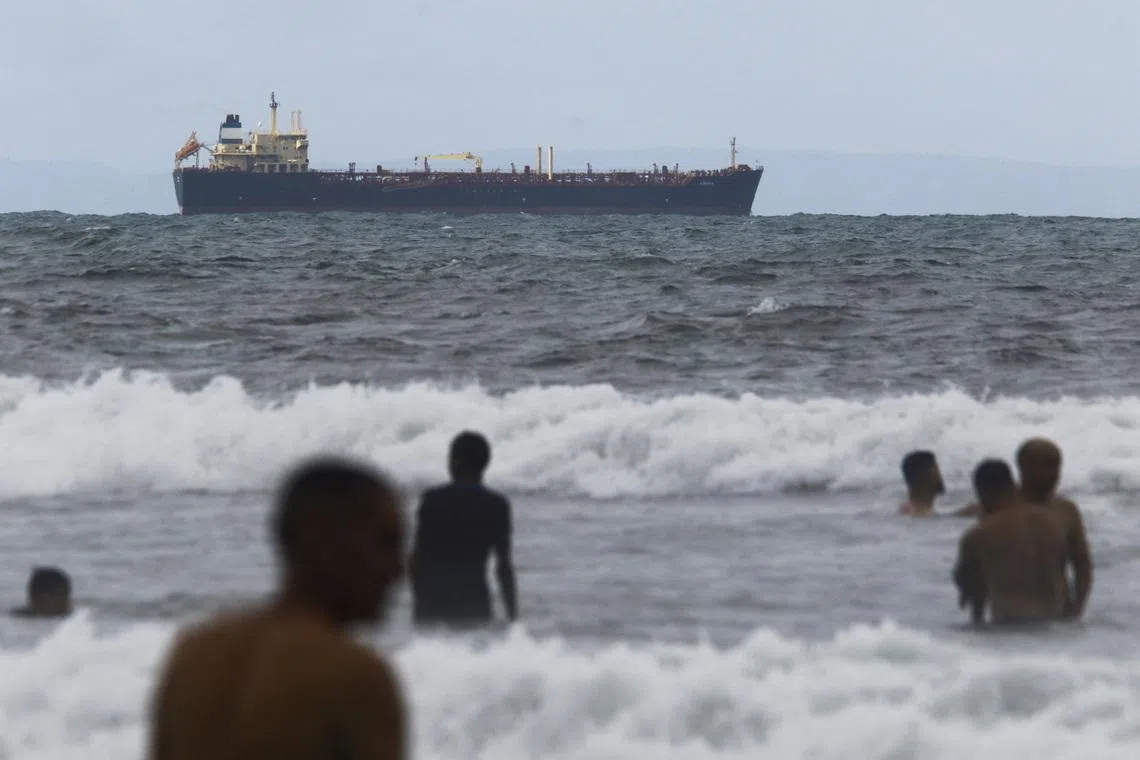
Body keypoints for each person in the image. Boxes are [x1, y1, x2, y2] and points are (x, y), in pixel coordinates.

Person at [146, 457, 408, 760]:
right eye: (386, 543)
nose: (398, 568)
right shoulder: (354, 674)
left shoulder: (194, 654)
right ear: (323, 541)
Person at [410, 431, 518, 627]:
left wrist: (419, 602)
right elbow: (503, 566)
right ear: (485, 463)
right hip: (474, 602)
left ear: (454, 461)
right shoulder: (496, 505)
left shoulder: (433, 499)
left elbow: (418, 559)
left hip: (433, 602)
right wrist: (513, 618)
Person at [952, 459, 1068, 625]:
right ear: (1013, 485)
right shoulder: (1051, 522)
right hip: (1058, 629)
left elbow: (970, 591)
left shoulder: (979, 535)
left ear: (982, 492)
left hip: (1011, 632)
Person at [1016, 437, 1093, 619]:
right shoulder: (1001, 507)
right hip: (1013, 619)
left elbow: (1082, 563)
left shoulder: (1066, 510)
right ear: (1023, 467)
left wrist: (1078, 608)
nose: (1054, 473)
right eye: (1046, 465)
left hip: (1059, 615)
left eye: (1057, 465)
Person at [898, 450, 945, 516]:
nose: (940, 476)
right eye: (936, 470)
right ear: (928, 475)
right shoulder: (915, 511)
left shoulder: (908, 509)